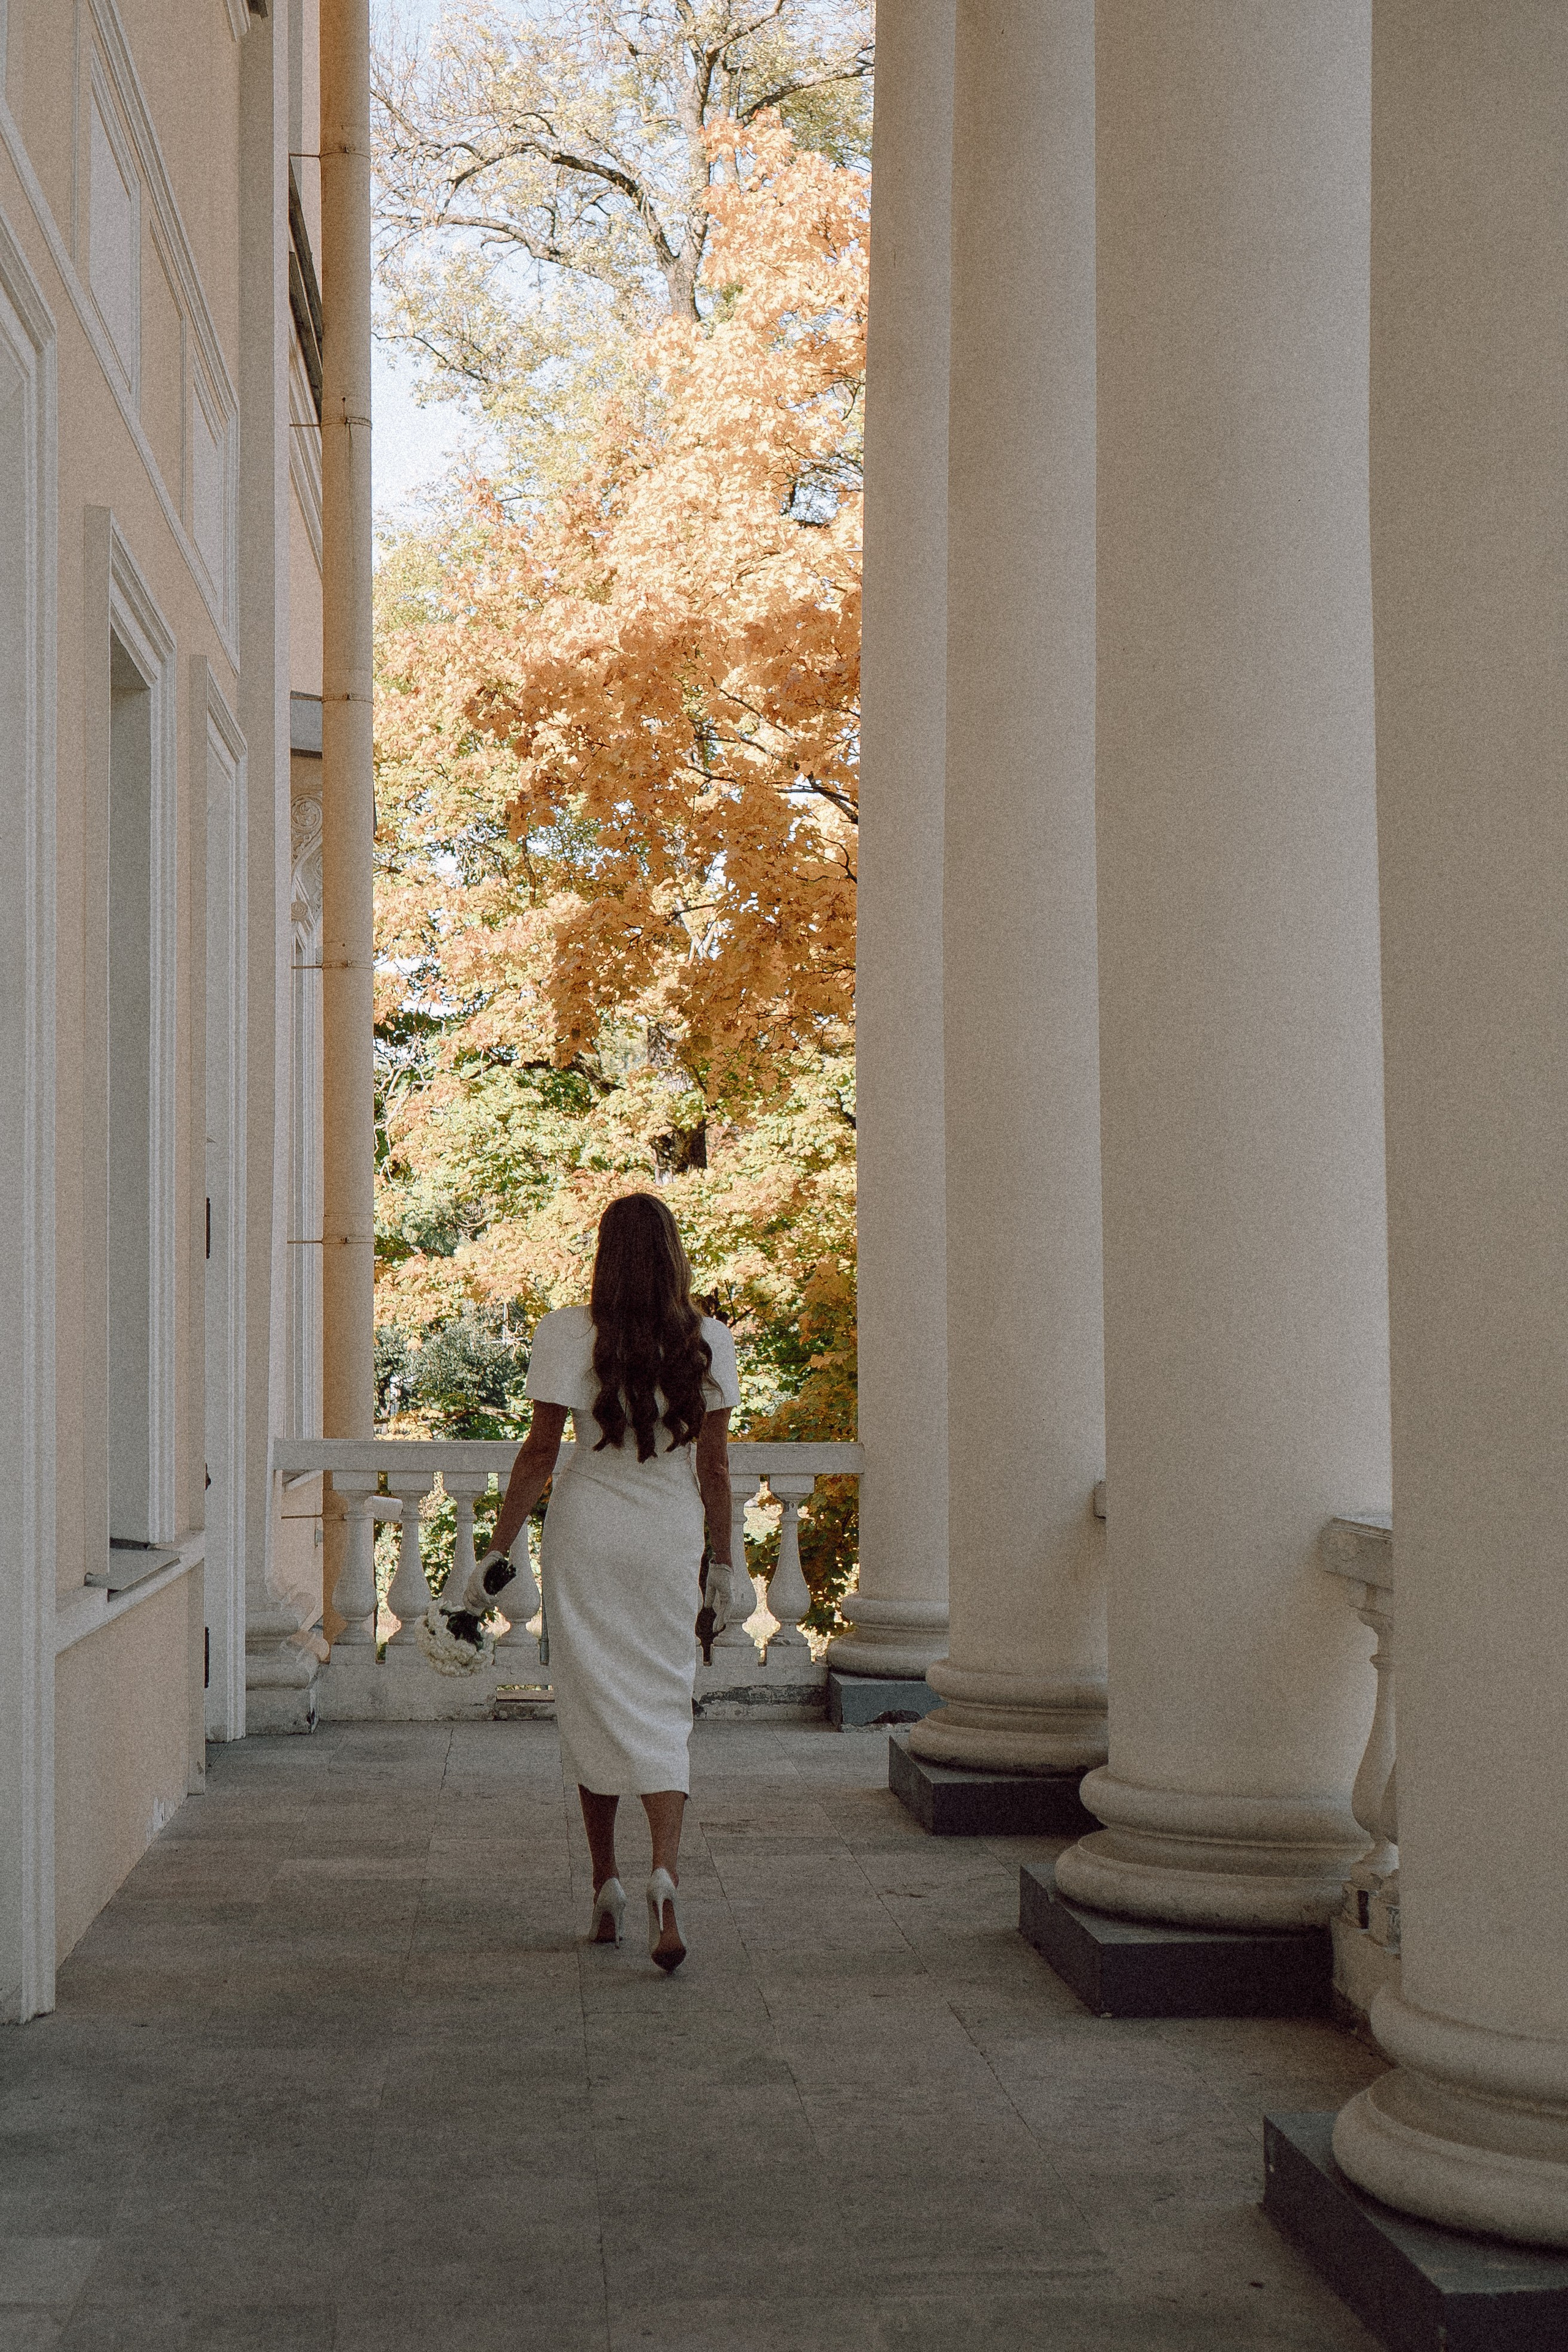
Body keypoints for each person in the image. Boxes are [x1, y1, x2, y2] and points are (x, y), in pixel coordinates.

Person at [445, 1193, 742, 1972]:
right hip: (668, 1538)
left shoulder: (566, 1332)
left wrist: (494, 1552)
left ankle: (606, 1884)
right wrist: (722, 1561)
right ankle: (666, 1881)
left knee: (592, 1704)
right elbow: (714, 1469)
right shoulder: (710, 1340)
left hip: (588, 1537)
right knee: (662, 1702)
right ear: (674, 1253)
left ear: (605, 1255)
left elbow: (539, 1455)